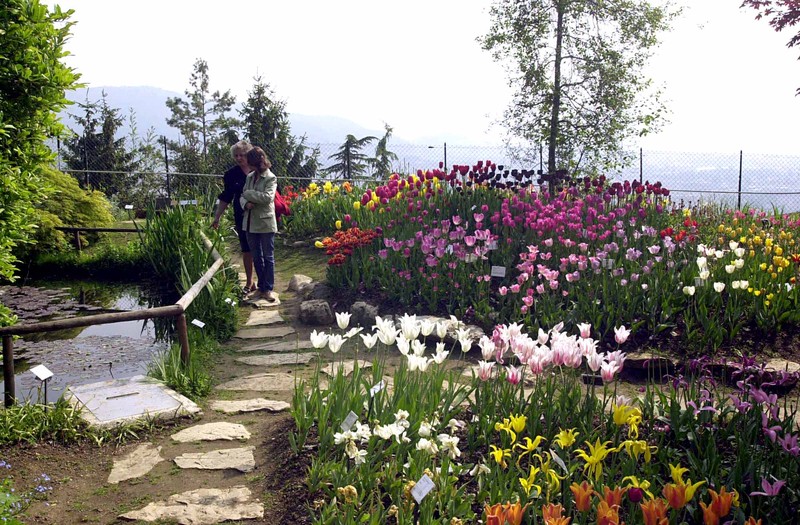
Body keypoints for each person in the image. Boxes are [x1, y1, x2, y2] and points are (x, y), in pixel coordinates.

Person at [211, 140, 255, 292]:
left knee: (261, 249)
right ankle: (249, 281)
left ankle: (264, 283)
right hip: (241, 214)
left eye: (242, 155)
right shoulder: (231, 174)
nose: (238, 158)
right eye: (236, 155)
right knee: (246, 248)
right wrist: (217, 217)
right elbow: (226, 197)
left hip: (260, 214)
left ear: (248, 155)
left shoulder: (259, 170)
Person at [240, 147, 278, 302]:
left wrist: (249, 195)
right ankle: (261, 287)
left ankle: (268, 289)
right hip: (250, 223)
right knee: (256, 257)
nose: (248, 166)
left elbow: (268, 197)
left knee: (268, 257)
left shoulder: (270, 178)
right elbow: (242, 196)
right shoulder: (249, 177)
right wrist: (245, 203)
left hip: (265, 223)